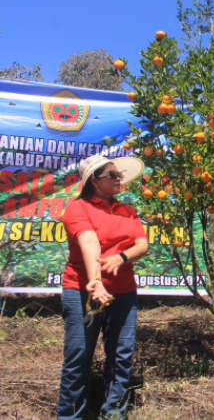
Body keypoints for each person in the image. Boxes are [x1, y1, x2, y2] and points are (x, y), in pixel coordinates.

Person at [57, 155, 148, 420]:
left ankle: (113, 414)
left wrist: (121, 258)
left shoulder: (127, 211)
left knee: (121, 358)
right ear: (94, 180)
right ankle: (70, 416)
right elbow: (89, 242)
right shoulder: (78, 208)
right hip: (82, 292)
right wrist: (95, 279)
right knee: (78, 358)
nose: (119, 178)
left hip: (123, 294)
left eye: (119, 174)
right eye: (112, 175)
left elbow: (141, 245)